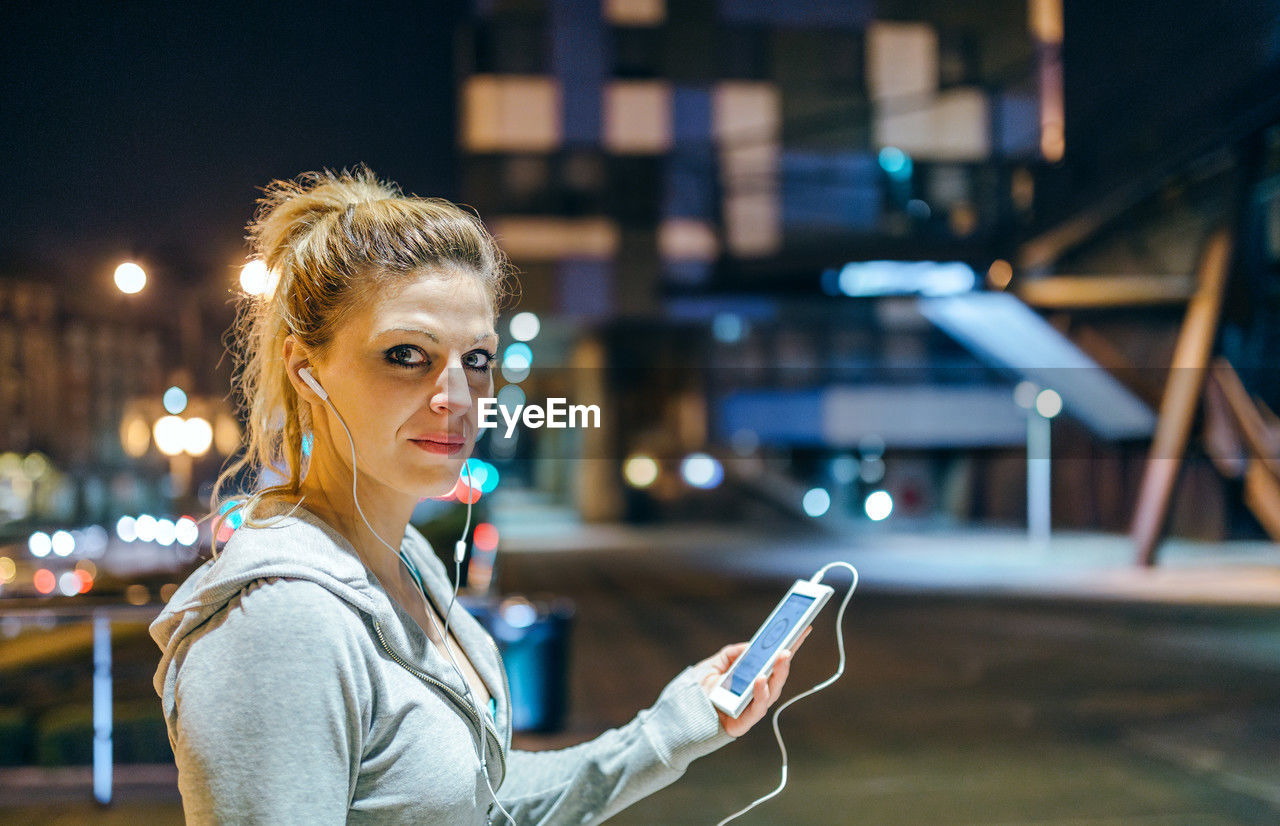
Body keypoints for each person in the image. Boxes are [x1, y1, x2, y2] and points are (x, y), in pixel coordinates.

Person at [150, 167, 804, 825]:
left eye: (478, 359)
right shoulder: (281, 623)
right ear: (306, 370)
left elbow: (477, 797)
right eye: (407, 354)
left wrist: (675, 726)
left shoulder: (405, 560)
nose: (458, 398)